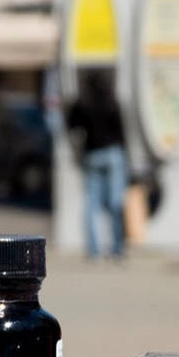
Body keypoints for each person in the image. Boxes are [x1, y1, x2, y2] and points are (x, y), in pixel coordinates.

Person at [67, 68, 128, 260]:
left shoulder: (82, 103)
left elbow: (71, 126)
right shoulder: (112, 101)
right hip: (113, 154)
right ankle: (117, 248)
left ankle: (93, 250)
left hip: (92, 154)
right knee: (115, 202)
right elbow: (121, 132)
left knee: (91, 204)